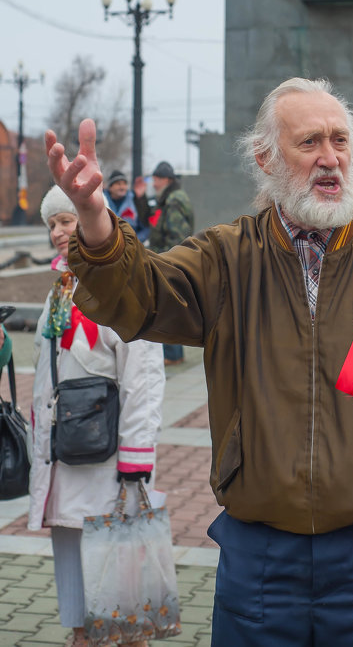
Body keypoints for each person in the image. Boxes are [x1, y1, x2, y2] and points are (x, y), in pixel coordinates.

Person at [46, 77, 353, 647]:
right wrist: (94, 223)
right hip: (258, 554)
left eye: (340, 141)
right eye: (310, 142)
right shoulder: (227, 256)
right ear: (265, 157)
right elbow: (143, 297)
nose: (330, 158)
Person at [28, 185, 166, 647]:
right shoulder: (61, 289)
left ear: (91, 221)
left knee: (118, 577)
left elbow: (143, 376)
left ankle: (116, 637)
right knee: (71, 552)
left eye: (67, 220)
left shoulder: (125, 285)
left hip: (108, 458)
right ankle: (80, 635)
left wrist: (136, 457)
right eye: (52, 224)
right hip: (65, 454)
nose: (58, 232)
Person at [135, 161, 194, 366]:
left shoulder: (174, 200)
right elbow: (150, 222)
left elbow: (177, 235)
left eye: (156, 179)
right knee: (165, 306)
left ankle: (173, 354)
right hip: (165, 260)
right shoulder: (166, 198)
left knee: (167, 306)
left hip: (170, 262)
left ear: (166, 179)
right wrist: (141, 198)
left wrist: (167, 263)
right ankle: (172, 353)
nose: (154, 183)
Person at [102, 169, 147, 241]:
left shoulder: (134, 200)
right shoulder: (102, 201)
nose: (122, 187)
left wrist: (134, 242)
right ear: (110, 187)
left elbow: (145, 228)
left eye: (124, 184)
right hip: (107, 247)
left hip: (130, 248)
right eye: (118, 184)